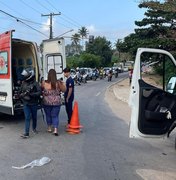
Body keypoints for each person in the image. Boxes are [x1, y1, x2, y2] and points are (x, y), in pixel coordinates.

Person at [41, 69, 66, 136]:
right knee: (55, 116)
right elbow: (64, 90)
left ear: (48, 75)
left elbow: (41, 90)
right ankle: (55, 130)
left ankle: (49, 128)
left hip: (47, 102)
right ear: (55, 75)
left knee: (48, 115)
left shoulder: (44, 83)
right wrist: (63, 84)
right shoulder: (58, 83)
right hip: (57, 102)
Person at [20, 67, 41, 138]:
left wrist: (31, 94)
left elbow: (39, 92)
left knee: (34, 117)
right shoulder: (23, 83)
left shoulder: (36, 83)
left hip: (34, 103)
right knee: (27, 117)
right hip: (26, 103)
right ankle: (26, 133)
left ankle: (34, 128)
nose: (24, 76)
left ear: (30, 75)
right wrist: (21, 95)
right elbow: (20, 92)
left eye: (26, 75)